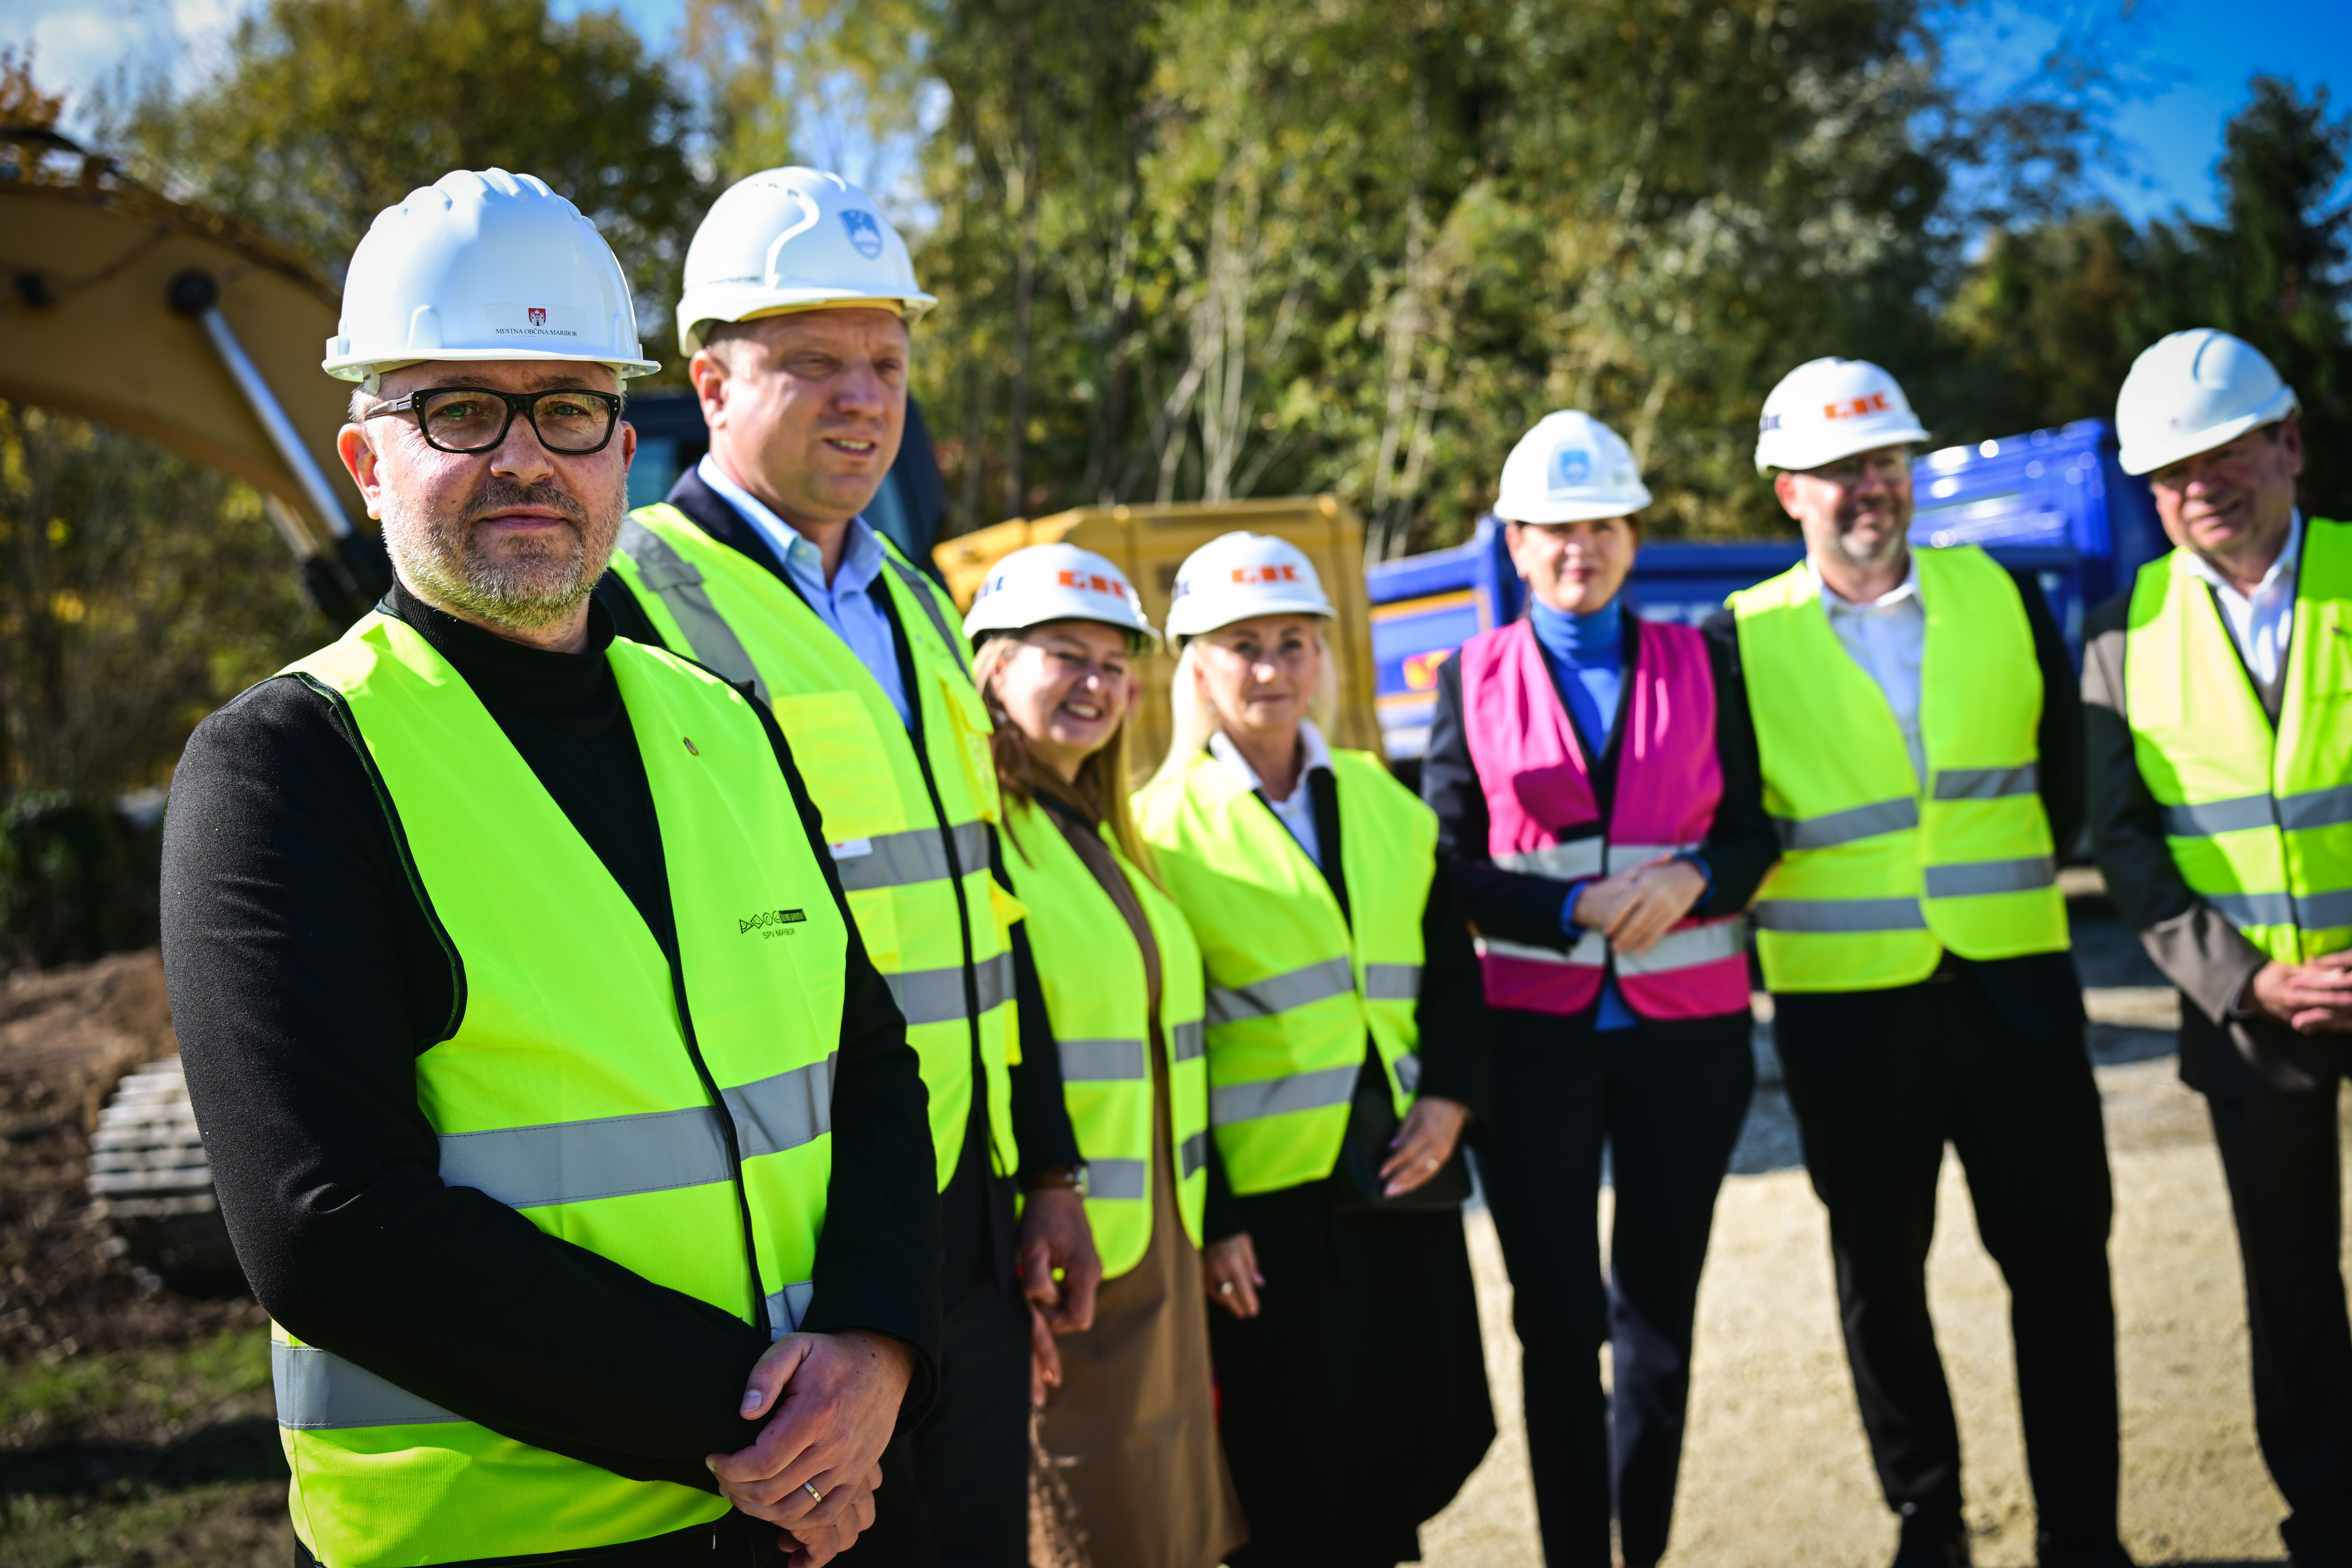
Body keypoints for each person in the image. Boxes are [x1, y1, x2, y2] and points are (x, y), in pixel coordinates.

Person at [160, 169, 942, 1568]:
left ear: (619, 446)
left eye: (569, 406)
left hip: (790, 1507)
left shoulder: (722, 720)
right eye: (460, 408)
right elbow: (329, 1227)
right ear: (368, 458)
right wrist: (760, 1417)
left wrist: (878, 1342)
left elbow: (872, 1062)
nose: (525, 457)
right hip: (512, 1536)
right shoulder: (289, 762)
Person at [594, 167, 1099, 1568]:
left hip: (966, 1221)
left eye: (885, 361)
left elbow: (989, 907)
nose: (862, 397)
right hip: (791, 1245)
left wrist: (1046, 1164)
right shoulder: (633, 600)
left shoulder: (925, 606)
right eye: (812, 363)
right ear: (709, 381)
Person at [1721, 358, 2129, 1568]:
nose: (1869, 487)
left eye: (1887, 461)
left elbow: (2062, 774)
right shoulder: (1739, 638)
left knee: (2063, 1272)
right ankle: (1930, 1521)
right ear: (1788, 489)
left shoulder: (1995, 593)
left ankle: (2082, 1533)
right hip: (1849, 1021)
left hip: (2018, 999)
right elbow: (1741, 820)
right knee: (1881, 1290)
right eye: (1842, 469)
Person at [1419, 411, 1777, 1567]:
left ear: (1633, 535)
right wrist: (1570, 907)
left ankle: (1647, 1549)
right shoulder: (1470, 678)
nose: (1581, 548)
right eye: (1556, 530)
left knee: (1657, 1321)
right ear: (1516, 543)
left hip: (1691, 1043)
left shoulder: (1706, 659)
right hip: (1536, 1050)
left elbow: (1754, 832)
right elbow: (1451, 865)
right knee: (1559, 1322)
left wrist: (1694, 872)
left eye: (1604, 526)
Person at [1136, 530, 1494, 1567]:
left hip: (1397, 1179)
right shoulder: (1160, 831)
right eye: (1243, 645)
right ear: (1195, 665)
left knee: (1409, 1440)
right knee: (1297, 1471)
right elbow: (1173, 1050)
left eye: (1294, 642)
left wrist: (1453, 1100)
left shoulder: (1389, 803)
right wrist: (1216, 1220)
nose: (1272, 668)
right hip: (1271, 1214)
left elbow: (1451, 973)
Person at [2084, 327, 2352, 1565]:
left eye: (2228, 450)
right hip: (2251, 1017)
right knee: (2291, 1295)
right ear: (2152, 495)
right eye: (2175, 470)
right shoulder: (2119, 632)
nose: (2204, 484)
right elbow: (2128, 848)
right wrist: (2246, 977)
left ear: (2289, 443)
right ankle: (2329, 1522)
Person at [959, 544, 1249, 1568]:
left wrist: (1212, 1228)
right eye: (1064, 655)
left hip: (1149, 1251)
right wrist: (995, 1270)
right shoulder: (981, 830)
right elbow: (971, 1062)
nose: (1097, 684)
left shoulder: (1101, 830)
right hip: (1062, 1278)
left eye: (1115, 662)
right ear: (991, 665)